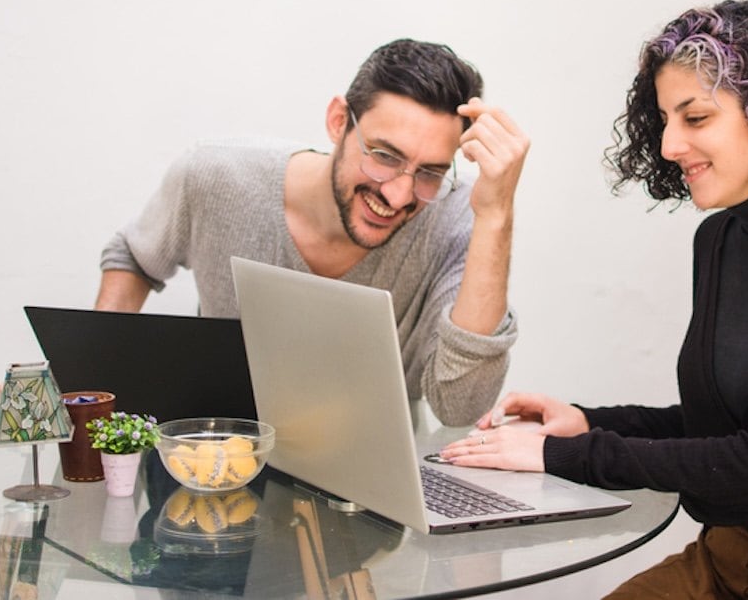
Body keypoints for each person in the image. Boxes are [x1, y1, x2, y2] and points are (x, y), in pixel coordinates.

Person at [440, 0, 748, 598]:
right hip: (725, 559)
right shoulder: (721, 238)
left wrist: (563, 458)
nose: (671, 144)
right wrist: (587, 425)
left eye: (696, 117)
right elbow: (722, 427)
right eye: (664, 120)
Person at [97, 38, 529, 426]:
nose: (399, 195)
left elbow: (460, 406)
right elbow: (135, 256)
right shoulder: (215, 176)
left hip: (366, 478)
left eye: (430, 173)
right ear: (339, 121)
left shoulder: (458, 218)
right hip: (216, 452)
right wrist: (98, 398)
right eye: (383, 155)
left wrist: (496, 216)